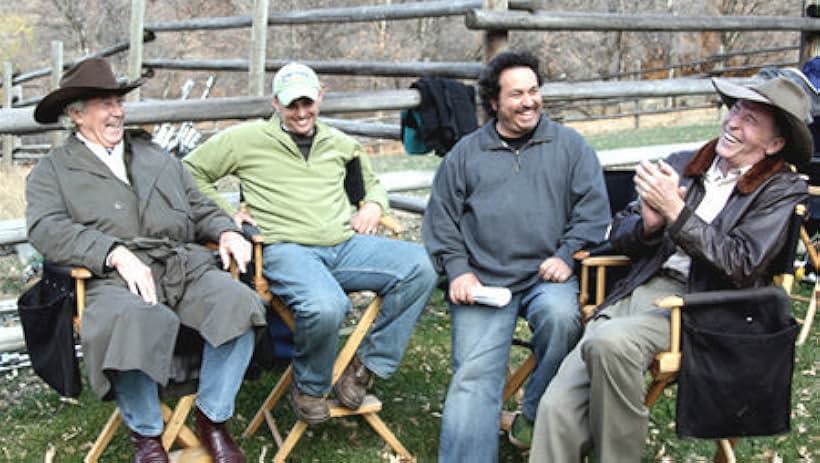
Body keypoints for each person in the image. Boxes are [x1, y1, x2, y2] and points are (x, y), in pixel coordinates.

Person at [529, 76, 812, 461]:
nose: (733, 123)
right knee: (556, 408)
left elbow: (742, 264)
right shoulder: (683, 163)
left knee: (609, 343)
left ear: (774, 144)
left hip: (706, 306)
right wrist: (649, 225)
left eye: (751, 120)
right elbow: (621, 231)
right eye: (734, 111)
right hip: (641, 287)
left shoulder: (780, 189)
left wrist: (677, 213)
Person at [26, 58, 267, 463]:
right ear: (76, 114)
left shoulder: (155, 155)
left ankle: (212, 418)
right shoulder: (53, 171)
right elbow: (46, 228)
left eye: (118, 101)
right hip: (109, 279)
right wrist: (113, 253)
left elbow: (197, 205)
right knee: (132, 319)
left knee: (239, 303)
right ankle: (148, 438)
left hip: (182, 264)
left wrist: (225, 229)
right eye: (104, 103)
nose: (117, 111)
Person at [183, 62, 437, 425]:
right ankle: (310, 386)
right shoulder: (245, 139)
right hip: (286, 249)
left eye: (308, 102)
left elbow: (370, 182)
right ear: (275, 104)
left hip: (344, 245)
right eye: (292, 105)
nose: (301, 112)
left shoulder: (339, 143)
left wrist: (373, 205)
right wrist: (226, 216)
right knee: (325, 305)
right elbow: (191, 172)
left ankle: (367, 366)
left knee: (421, 265)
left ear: (321, 97)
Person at [422, 51, 611, 460]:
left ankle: (533, 411)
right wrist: (457, 271)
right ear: (494, 102)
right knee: (474, 375)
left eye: (534, 91)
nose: (529, 102)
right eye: (516, 94)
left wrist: (565, 255)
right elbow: (441, 221)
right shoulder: (466, 154)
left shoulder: (570, 147)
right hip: (484, 281)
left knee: (563, 319)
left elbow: (594, 213)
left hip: (547, 277)